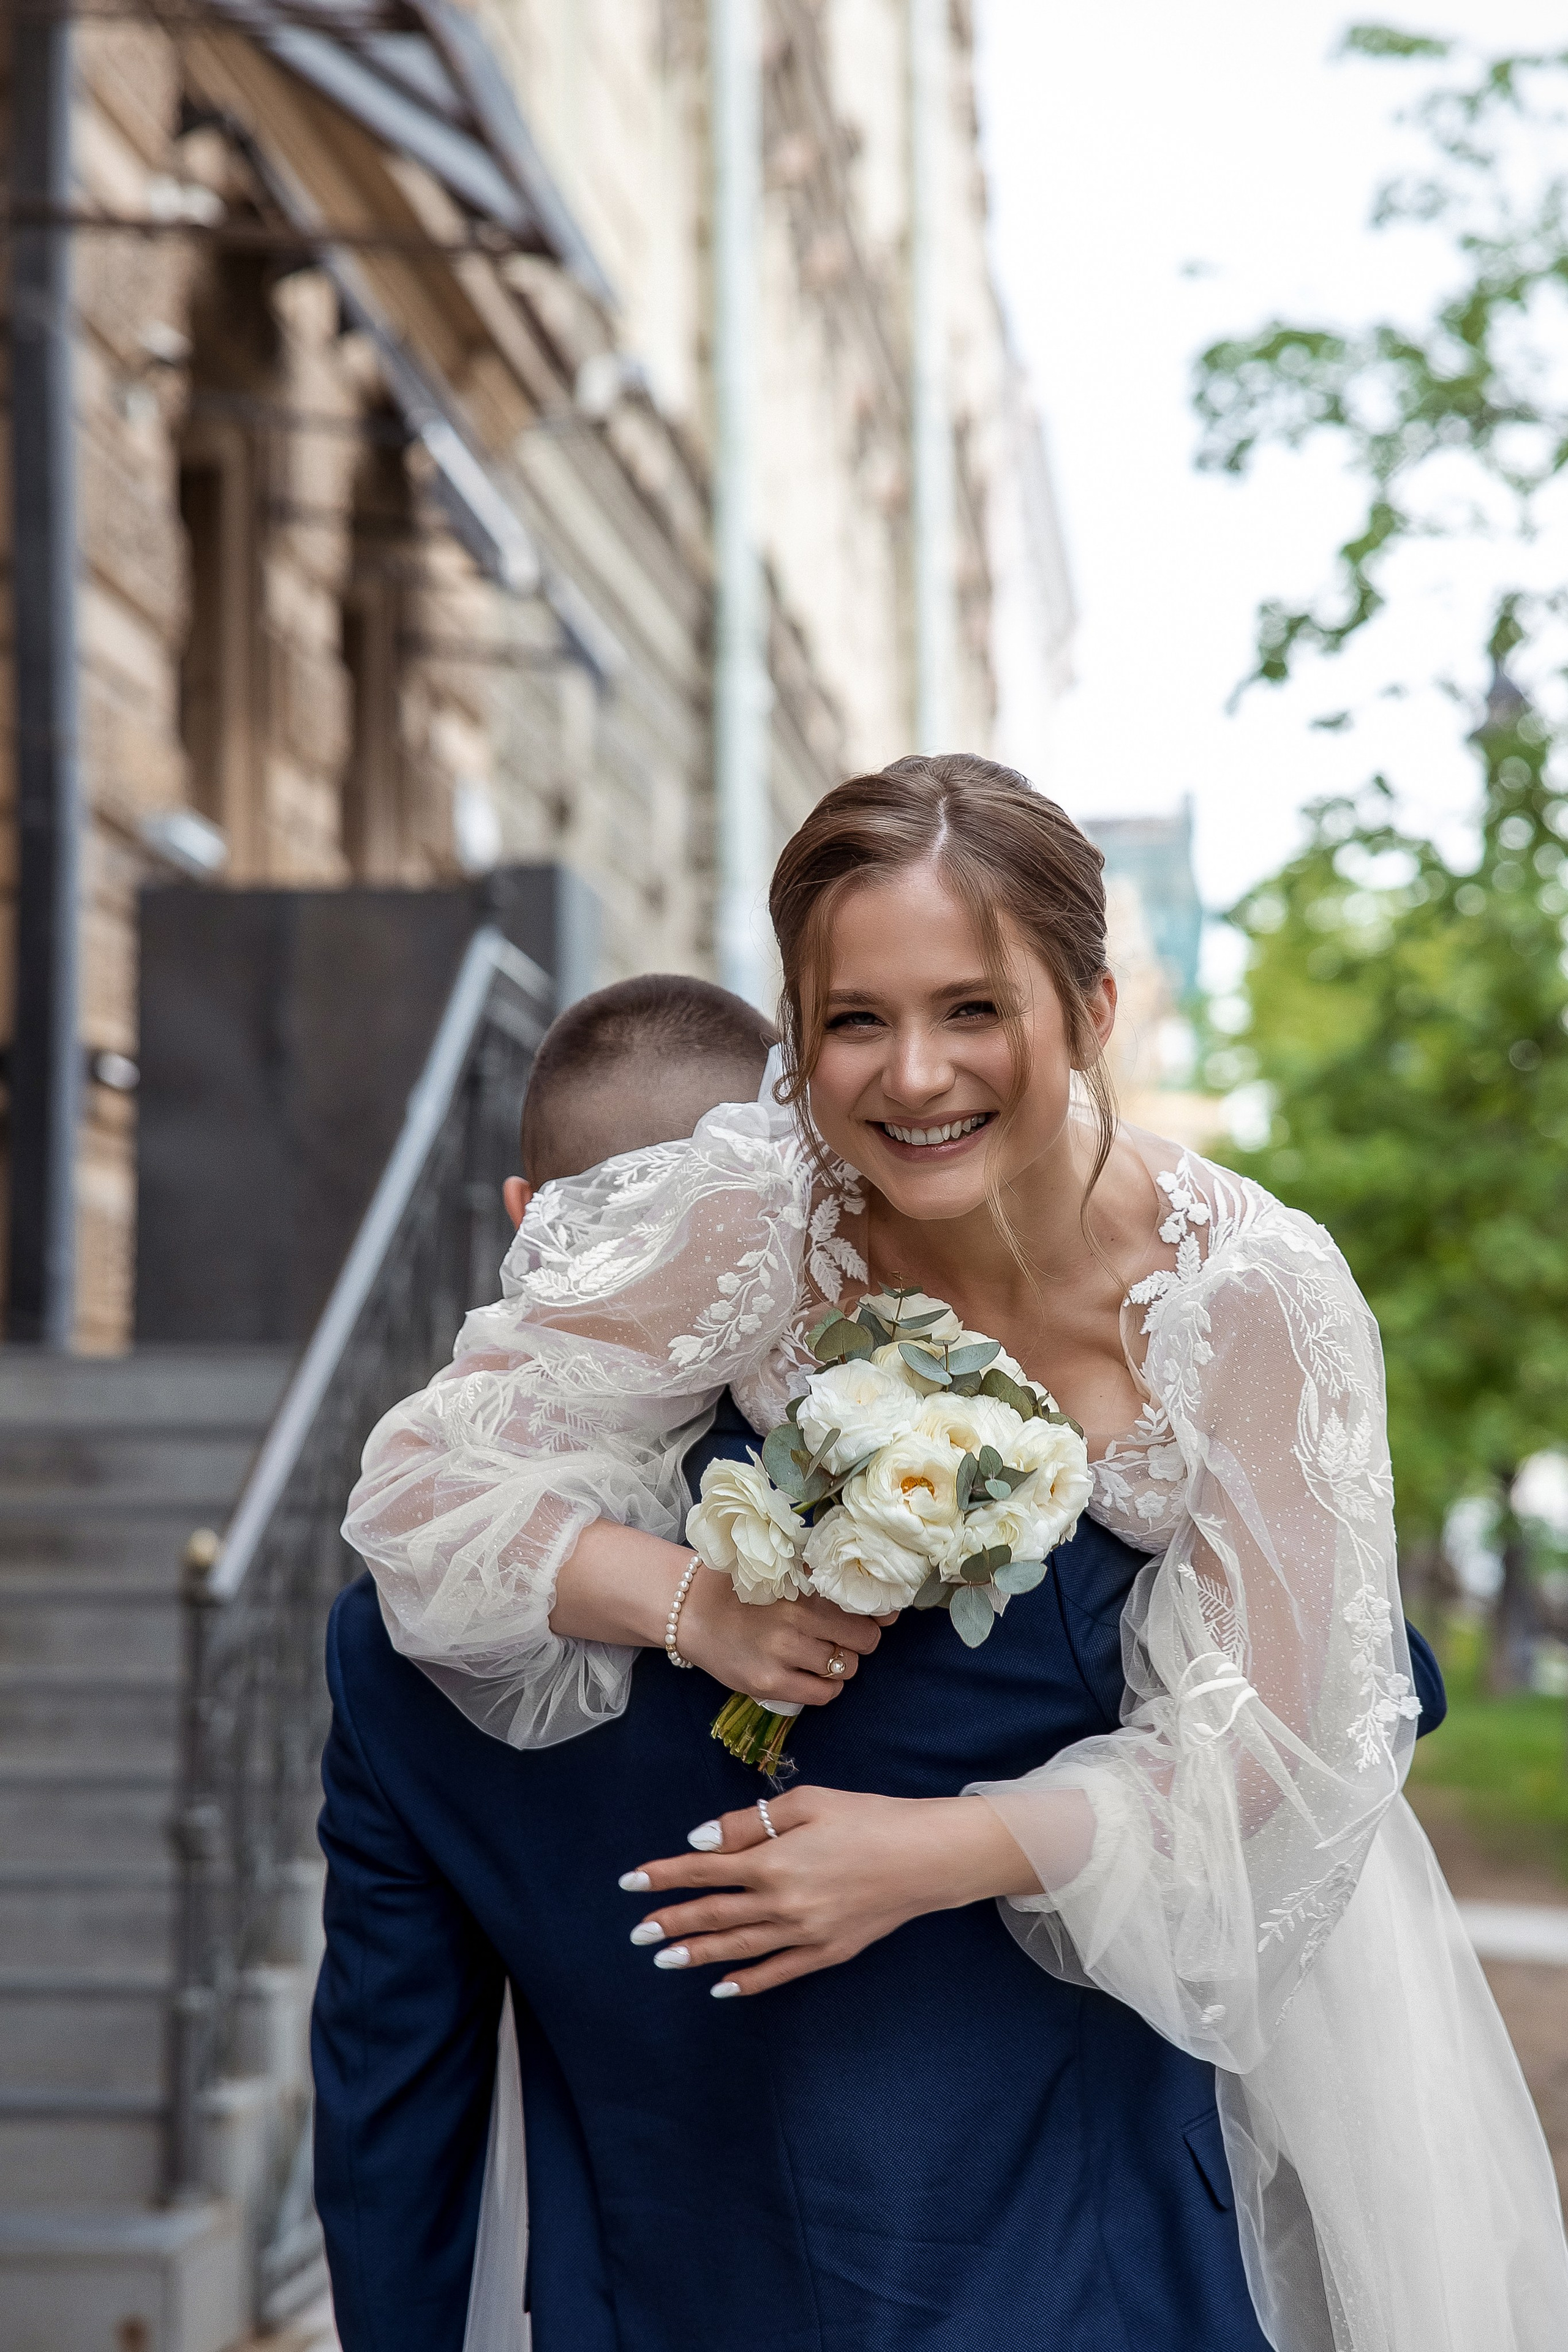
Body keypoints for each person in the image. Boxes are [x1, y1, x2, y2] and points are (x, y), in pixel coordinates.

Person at [321, 761, 1544, 2352]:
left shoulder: (1256, 1295)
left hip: (1070, 2156)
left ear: (1092, 1007)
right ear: (796, 1034)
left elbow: (1285, 1743)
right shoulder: (757, 1206)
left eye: (974, 1010)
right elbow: (426, 1479)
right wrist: (702, 1609)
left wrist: (922, 1853)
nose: (913, 1077)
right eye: (854, 1021)